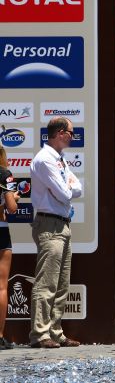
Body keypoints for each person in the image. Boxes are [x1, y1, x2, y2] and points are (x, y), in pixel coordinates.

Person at [29, 117, 82, 348]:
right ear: (61, 133)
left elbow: (77, 188)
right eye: (71, 132)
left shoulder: (60, 159)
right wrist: (68, 187)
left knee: (61, 284)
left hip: (62, 224)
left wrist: (68, 187)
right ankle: (40, 334)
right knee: (47, 282)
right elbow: (65, 193)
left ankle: (55, 331)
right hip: (49, 225)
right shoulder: (44, 160)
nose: (73, 136)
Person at [0, 143, 19, 349]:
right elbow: (12, 208)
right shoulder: (5, 174)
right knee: (1, 286)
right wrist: (13, 198)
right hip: (1, 230)